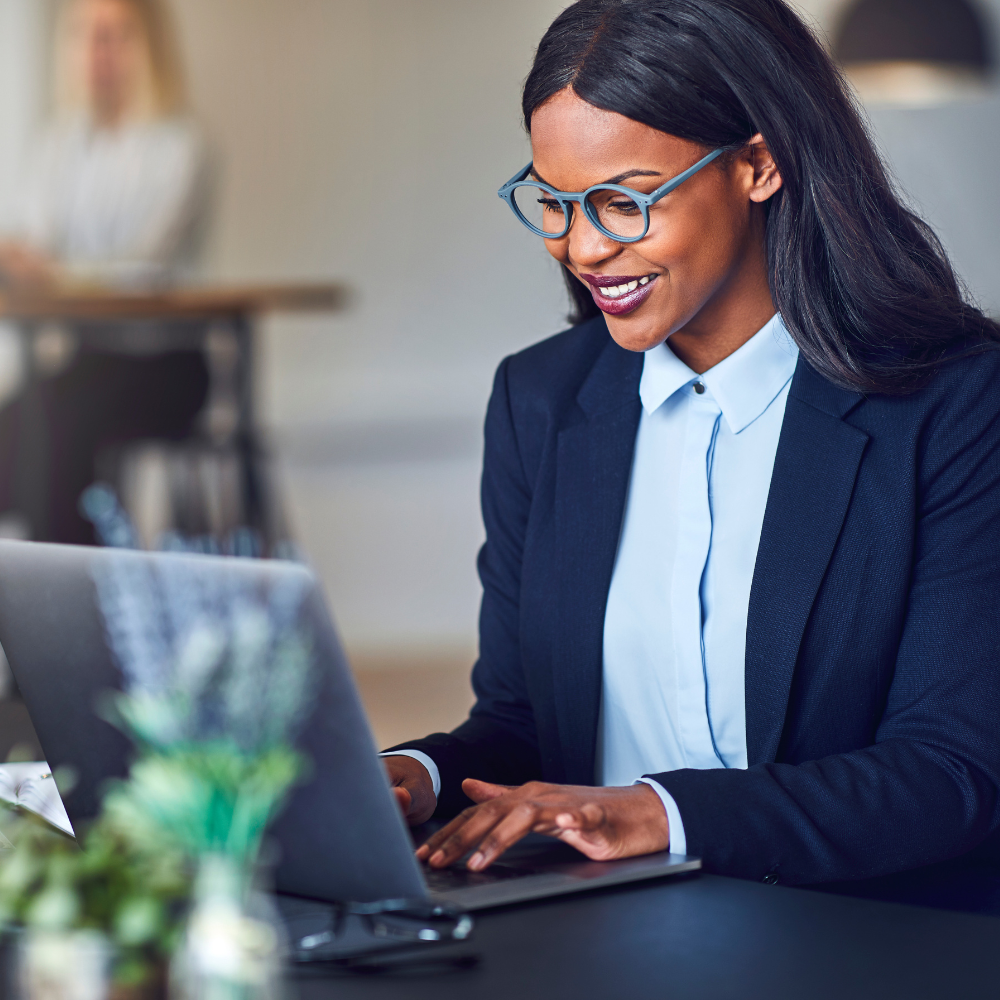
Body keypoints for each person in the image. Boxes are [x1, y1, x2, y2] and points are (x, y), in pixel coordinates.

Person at [380, 0, 1000, 895]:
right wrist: (417, 776)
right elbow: (526, 721)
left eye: (624, 202)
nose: (584, 248)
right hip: (601, 928)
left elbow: (953, 771)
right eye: (554, 202)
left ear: (759, 163)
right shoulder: (543, 401)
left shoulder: (954, 404)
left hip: (862, 932)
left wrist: (658, 813)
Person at [0, 0, 210, 544]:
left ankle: (77, 604)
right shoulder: (59, 146)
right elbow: (30, 241)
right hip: (81, 363)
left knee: (53, 428)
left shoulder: (180, 146)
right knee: (19, 429)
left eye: (115, 36)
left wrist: (48, 269)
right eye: (85, 36)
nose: (99, 54)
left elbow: (146, 263)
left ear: (149, 47)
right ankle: (41, 599)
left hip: (163, 366)